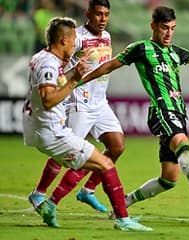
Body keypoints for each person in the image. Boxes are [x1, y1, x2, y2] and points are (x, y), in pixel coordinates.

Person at [78, 6, 189, 214]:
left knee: (168, 179)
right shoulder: (141, 48)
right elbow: (109, 66)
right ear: (153, 26)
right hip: (161, 110)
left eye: (173, 28)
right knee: (182, 141)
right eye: (165, 28)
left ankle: (126, 201)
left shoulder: (174, 52)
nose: (169, 33)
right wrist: (77, 82)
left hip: (179, 113)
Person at [22, 16, 152, 231]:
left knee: (109, 152)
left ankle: (49, 204)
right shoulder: (49, 64)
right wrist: (74, 81)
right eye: (73, 40)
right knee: (106, 164)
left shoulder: (41, 57)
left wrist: (77, 72)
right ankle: (123, 219)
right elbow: (48, 100)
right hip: (53, 131)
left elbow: (57, 83)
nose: (76, 43)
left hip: (40, 128)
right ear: (64, 40)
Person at [28, 0, 124, 214]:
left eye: (106, 14)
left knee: (117, 146)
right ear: (89, 13)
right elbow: (60, 62)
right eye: (99, 14)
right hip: (79, 102)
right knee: (68, 153)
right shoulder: (76, 37)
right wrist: (67, 82)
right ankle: (40, 192)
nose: (103, 19)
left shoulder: (106, 37)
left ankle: (88, 190)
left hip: (100, 102)